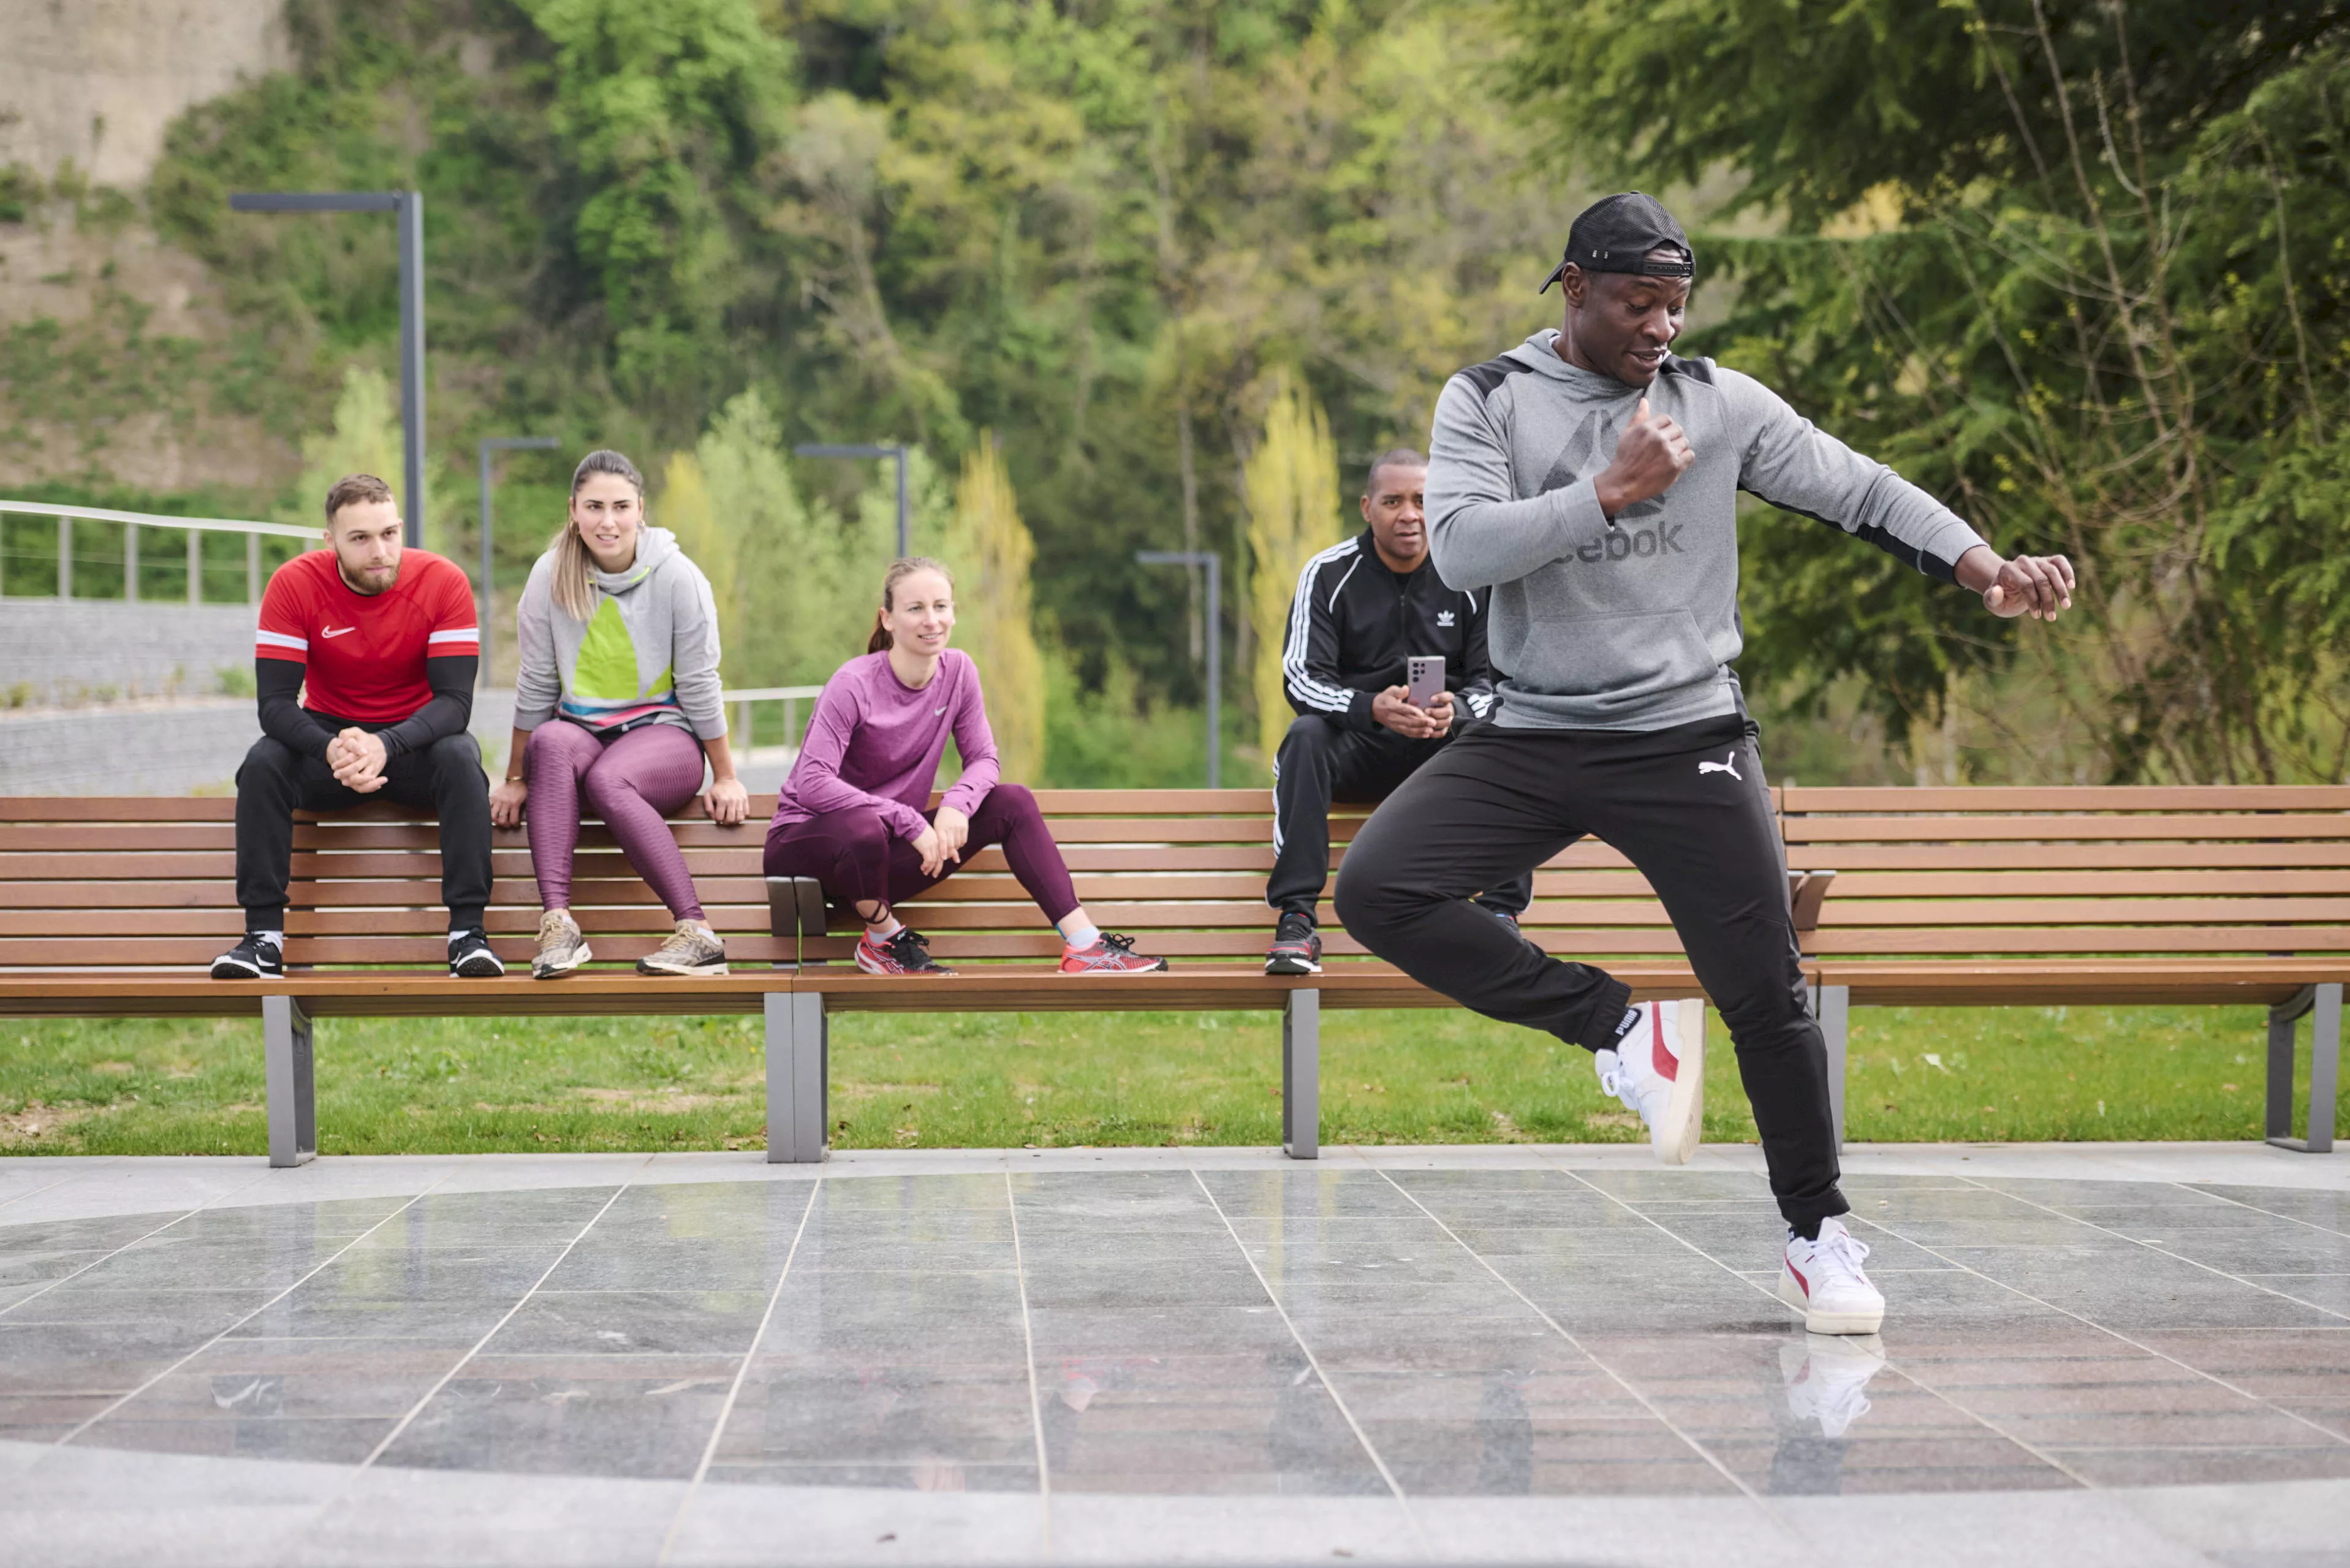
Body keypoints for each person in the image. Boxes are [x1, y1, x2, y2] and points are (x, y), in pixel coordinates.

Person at [1333, 193, 2075, 1336]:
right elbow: (1465, 548)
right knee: (1378, 889)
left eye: (1675, 304)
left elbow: (1861, 489)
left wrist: (1984, 568)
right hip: (1533, 730)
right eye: (1638, 302)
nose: (1661, 326)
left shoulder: (1716, 403)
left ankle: (1819, 1236)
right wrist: (1609, 490)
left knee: (1765, 994)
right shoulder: (1489, 397)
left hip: (1685, 735)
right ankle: (1620, 1029)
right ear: (1574, 287)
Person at [764, 557, 1167, 977]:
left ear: (953, 613)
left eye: (941, 606)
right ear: (888, 619)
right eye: (915, 608)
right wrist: (908, 820)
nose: (931, 620)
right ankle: (882, 942)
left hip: (881, 860)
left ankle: (1085, 945)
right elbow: (813, 782)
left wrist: (957, 803)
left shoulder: (958, 672)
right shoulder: (853, 684)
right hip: (809, 858)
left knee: (1012, 802)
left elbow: (984, 759)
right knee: (865, 827)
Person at [213, 474, 499, 980]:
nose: (379, 551)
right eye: (360, 538)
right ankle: (263, 940)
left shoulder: (444, 581)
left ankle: (468, 936)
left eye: (389, 534)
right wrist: (331, 749)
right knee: (262, 762)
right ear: (331, 541)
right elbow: (274, 705)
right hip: (331, 748)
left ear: (401, 528)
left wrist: (387, 745)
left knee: (460, 756)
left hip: (416, 744)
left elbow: (455, 704)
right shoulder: (294, 584)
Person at [1264, 446, 1529, 976]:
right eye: (1393, 501)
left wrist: (1456, 710)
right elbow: (1301, 678)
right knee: (1305, 736)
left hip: (1440, 756)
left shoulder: (1471, 577)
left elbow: (1498, 683)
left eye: (1422, 500)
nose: (1409, 514)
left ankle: (1500, 913)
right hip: (1358, 749)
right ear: (1368, 508)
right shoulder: (1328, 573)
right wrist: (1371, 708)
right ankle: (1296, 921)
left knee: (1507, 735)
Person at [488, 450, 748, 980]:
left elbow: (699, 683)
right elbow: (536, 684)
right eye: (594, 507)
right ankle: (559, 927)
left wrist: (725, 775)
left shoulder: (678, 577)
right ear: (573, 510)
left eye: (621, 507)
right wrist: (515, 779)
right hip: (582, 741)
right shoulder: (549, 575)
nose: (608, 521)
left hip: (663, 742)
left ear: (640, 511)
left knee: (610, 778)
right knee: (551, 742)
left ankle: (698, 932)